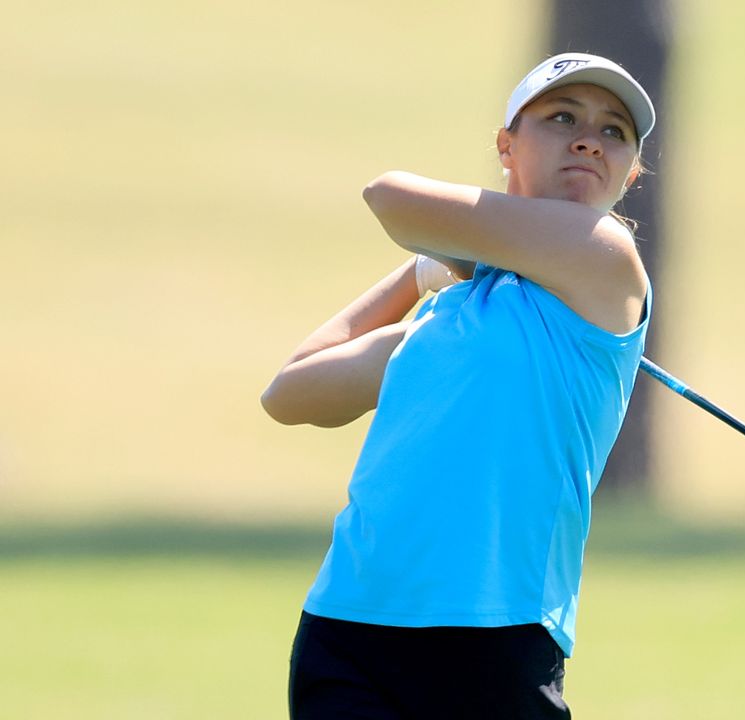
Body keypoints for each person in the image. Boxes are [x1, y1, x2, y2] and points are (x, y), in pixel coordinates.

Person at [260, 52, 656, 719]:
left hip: (496, 638)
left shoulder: (606, 258)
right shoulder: (442, 322)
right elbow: (290, 392)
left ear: (629, 174)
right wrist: (418, 278)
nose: (590, 137)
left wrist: (462, 246)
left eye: (614, 131)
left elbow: (393, 198)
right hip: (348, 628)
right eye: (562, 118)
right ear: (507, 145)